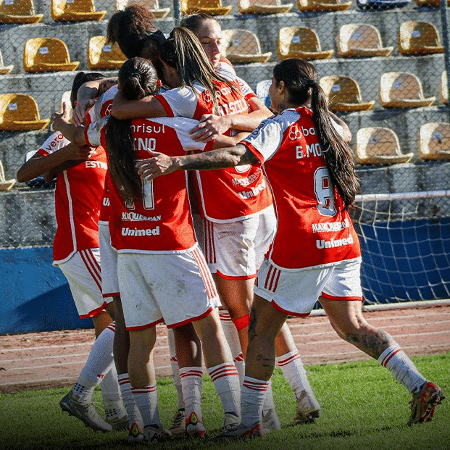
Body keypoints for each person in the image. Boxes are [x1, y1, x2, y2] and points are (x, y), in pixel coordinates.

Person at [136, 58, 446, 438]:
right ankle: (418, 384)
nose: (267, 93)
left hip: (302, 244)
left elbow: (237, 156)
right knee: (353, 325)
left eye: (271, 86)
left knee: (259, 331)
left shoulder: (281, 125)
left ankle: (249, 423)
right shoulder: (331, 123)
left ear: (282, 88)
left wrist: (177, 163)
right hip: (342, 239)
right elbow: (343, 131)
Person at [105, 56, 243, 442]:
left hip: (130, 248)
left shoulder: (109, 131)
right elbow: (232, 150)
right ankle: (235, 415)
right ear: (155, 91)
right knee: (210, 328)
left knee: (141, 338)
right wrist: (230, 125)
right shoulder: (173, 127)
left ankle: (146, 425)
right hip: (173, 243)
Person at [16, 72, 127, 433]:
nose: (97, 105)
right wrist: (66, 148)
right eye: (90, 99)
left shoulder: (110, 137)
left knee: (104, 326)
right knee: (123, 319)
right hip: (83, 243)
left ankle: (115, 411)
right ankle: (79, 394)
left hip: (98, 244)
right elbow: (24, 172)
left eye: (102, 98)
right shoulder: (67, 138)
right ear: (79, 104)